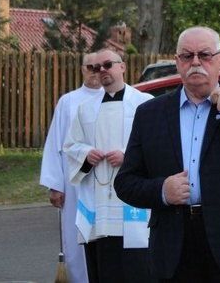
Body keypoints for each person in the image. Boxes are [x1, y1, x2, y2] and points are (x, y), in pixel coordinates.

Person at [114, 26, 220, 282]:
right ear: (177, 63)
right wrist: (161, 192)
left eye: (205, 55)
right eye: (187, 56)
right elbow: (125, 182)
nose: (196, 62)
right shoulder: (150, 114)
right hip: (173, 245)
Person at [63, 49, 155, 283]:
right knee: (105, 266)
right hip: (99, 201)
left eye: (107, 65)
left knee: (137, 266)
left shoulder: (145, 103)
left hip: (134, 197)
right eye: (96, 67)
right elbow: (71, 145)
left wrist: (128, 156)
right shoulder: (86, 109)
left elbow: (158, 145)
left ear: (122, 67)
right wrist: (86, 154)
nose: (101, 70)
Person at [40, 52, 104, 283]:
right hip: (74, 180)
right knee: (76, 236)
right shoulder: (68, 101)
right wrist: (55, 185)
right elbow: (55, 143)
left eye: (100, 67)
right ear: (82, 69)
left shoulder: (114, 98)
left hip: (107, 179)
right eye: (91, 67)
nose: (96, 72)